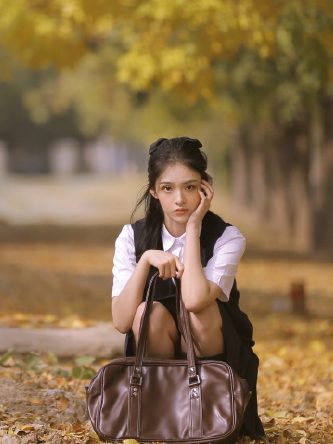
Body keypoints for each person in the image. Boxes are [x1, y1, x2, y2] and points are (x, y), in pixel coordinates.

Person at [110, 136, 266, 441]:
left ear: (205, 188)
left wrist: (194, 229)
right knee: (145, 314)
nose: (179, 200)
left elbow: (194, 301)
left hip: (213, 354)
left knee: (199, 313)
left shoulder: (227, 238)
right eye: (168, 188)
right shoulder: (132, 237)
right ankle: (164, 416)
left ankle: (209, 418)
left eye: (190, 187)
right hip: (159, 353)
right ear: (153, 190)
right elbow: (121, 322)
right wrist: (145, 262)